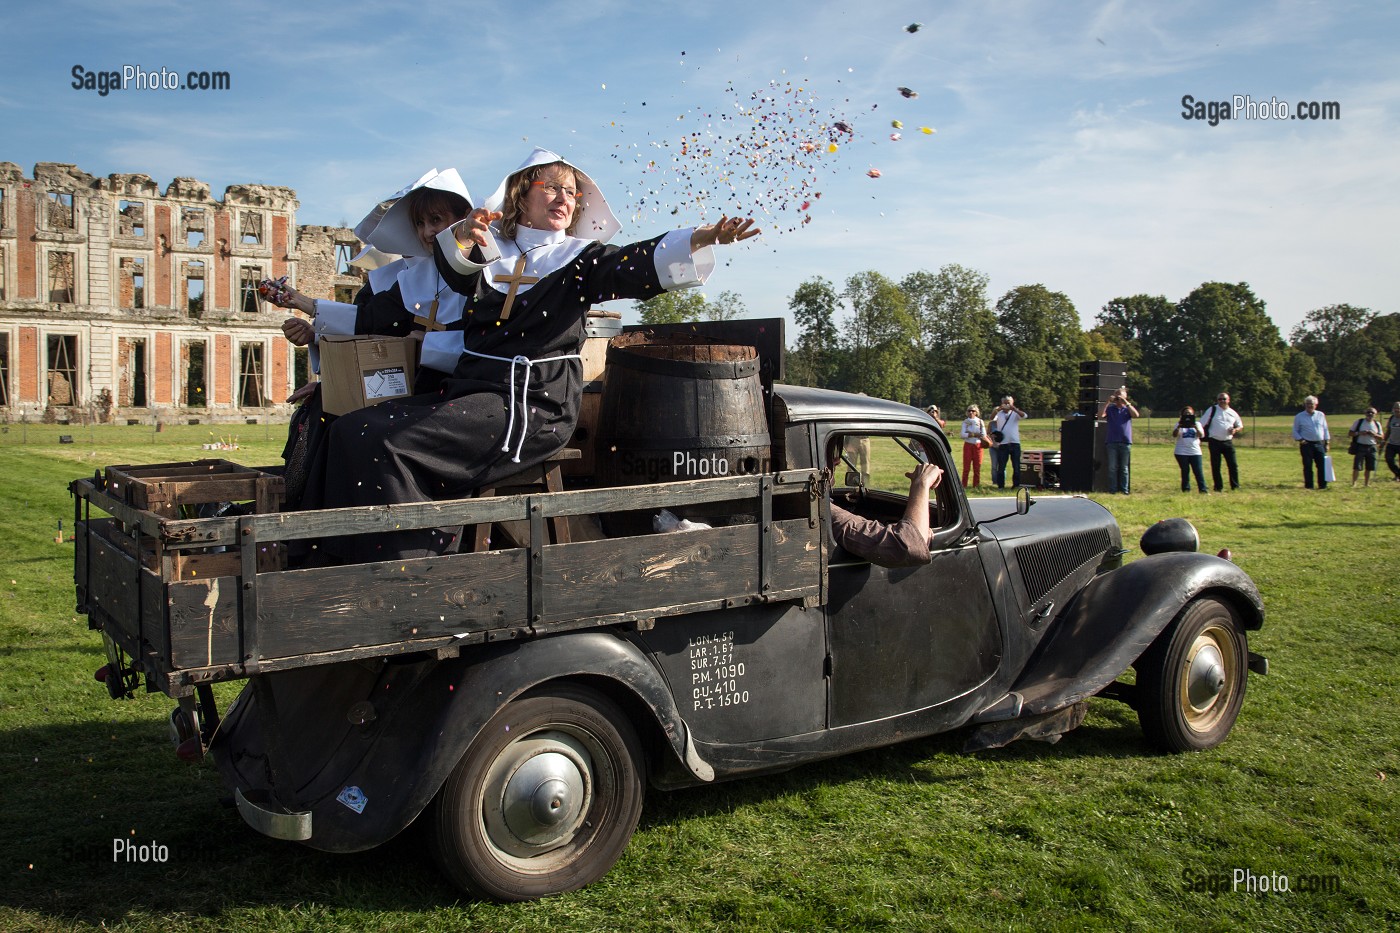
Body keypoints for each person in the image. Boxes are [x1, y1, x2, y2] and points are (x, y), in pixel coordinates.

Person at [312, 148, 759, 562]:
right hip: (471, 393)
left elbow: (635, 264)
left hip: (533, 406)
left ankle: (410, 571)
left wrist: (700, 238)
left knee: (383, 440)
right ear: (521, 194)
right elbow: (453, 269)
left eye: (571, 191)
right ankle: (328, 558)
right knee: (350, 427)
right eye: (552, 187)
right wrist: (463, 236)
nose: (565, 197)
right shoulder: (494, 252)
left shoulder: (580, 260)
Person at [268, 169, 474, 509]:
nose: (425, 233)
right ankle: (305, 514)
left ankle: (371, 525)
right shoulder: (407, 280)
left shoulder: (487, 271)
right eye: (419, 224)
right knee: (323, 414)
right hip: (398, 381)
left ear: (464, 220)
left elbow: (487, 343)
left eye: (435, 220)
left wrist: (426, 346)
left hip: (452, 390)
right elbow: (366, 324)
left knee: (356, 427)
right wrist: (309, 322)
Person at [830, 462, 944, 568]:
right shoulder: (822, 510)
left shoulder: (820, 506)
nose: (837, 460)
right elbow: (906, 546)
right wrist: (921, 483)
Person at [1200, 391, 1244, 492]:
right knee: (1216, 466)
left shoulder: (1233, 413)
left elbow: (1240, 425)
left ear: (1229, 400)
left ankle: (1235, 486)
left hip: (1228, 442)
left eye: (1224, 399)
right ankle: (1218, 487)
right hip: (1214, 441)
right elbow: (1201, 423)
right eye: (1220, 399)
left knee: (1233, 465)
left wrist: (1235, 430)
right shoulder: (1212, 410)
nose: (1222, 401)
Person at [1098, 388, 1138, 494]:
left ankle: (1124, 490)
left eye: (1120, 396)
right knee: (1112, 467)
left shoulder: (1127, 409)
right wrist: (1107, 402)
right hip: (1112, 442)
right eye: (1117, 396)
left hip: (1125, 442)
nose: (1118, 398)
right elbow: (1100, 415)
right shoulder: (1111, 409)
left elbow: (1136, 415)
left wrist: (1126, 403)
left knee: (1124, 468)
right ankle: (1113, 490)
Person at [1291, 395, 1331, 490]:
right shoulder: (1299, 416)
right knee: (1308, 465)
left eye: (1311, 404)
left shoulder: (1321, 415)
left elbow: (1325, 429)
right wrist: (1301, 439)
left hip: (1319, 443)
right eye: (1307, 404)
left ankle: (1322, 485)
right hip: (1306, 444)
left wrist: (1327, 442)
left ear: (1316, 405)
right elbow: (1295, 430)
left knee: (1322, 465)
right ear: (1305, 405)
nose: (1310, 406)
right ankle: (1309, 486)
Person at [990, 396, 1027, 489]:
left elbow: (1024, 416)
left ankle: (1016, 485)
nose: (1007, 404)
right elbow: (991, 418)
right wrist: (997, 409)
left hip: (1015, 443)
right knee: (1001, 466)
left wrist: (1014, 409)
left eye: (1009, 403)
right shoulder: (999, 413)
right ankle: (1001, 486)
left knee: (1016, 466)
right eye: (1005, 403)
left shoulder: (1015, 413)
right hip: (1003, 443)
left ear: (1012, 403)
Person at [1172, 406, 1208, 493]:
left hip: (1195, 451)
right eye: (1185, 413)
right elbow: (1174, 435)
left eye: (1189, 413)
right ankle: (1186, 489)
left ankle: (1203, 489)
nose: (1187, 415)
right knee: (1185, 471)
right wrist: (1179, 426)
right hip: (1181, 451)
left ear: (1193, 414)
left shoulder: (1197, 424)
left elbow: (1201, 435)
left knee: (1198, 471)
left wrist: (1195, 427)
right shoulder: (1179, 424)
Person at [1347, 407, 1385, 487]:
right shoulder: (1359, 422)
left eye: (1372, 413)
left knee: (1370, 467)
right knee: (1357, 466)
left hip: (1372, 447)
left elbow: (1381, 437)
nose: (1370, 414)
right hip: (1360, 446)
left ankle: (1366, 484)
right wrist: (1360, 433)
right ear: (1365, 413)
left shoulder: (1377, 424)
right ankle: (1354, 483)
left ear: (1375, 415)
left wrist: (1374, 434)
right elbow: (1350, 433)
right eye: (1368, 412)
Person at [959, 405, 988, 488]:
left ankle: (976, 485)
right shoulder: (965, 422)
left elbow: (983, 434)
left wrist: (969, 433)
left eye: (973, 411)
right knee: (966, 467)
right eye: (969, 411)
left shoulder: (980, 421)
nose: (971, 412)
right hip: (968, 445)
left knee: (977, 467)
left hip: (978, 445)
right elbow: (962, 435)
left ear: (976, 412)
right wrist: (974, 434)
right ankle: (964, 485)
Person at [1385, 402, 1400, 481]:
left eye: (1398, 410)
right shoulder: (1391, 418)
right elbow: (1388, 431)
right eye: (1396, 410)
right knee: (1389, 459)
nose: (1397, 412)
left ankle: (1398, 476)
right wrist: (1384, 441)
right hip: (1391, 443)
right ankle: (1398, 474)